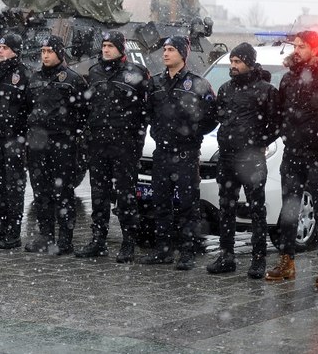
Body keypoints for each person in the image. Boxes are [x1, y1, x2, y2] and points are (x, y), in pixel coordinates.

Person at [265, 30, 318, 288]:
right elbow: (279, 113)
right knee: (289, 210)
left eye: (301, 46)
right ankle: (286, 262)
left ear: (315, 48)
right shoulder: (288, 79)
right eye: (295, 46)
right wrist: (285, 134)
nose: (296, 50)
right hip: (293, 153)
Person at [139, 36, 217, 269]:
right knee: (161, 203)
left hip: (185, 155)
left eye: (171, 50)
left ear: (183, 54)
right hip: (162, 153)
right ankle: (163, 250)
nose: (165, 54)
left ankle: (187, 251)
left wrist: (193, 133)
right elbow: (149, 112)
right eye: (164, 49)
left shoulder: (197, 84)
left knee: (187, 205)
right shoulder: (156, 83)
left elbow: (211, 117)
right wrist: (159, 132)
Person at [75, 31, 149, 262]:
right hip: (99, 144)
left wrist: (136, 143)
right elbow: (87, 107)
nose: (105, 50)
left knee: (126, 195)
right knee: (99, 193)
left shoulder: (136, 74)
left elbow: (145, 113)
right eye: (104, 45)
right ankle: (98, 239)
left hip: (124, 145)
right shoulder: (95, 72)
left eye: (110, 46)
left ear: (121, 48)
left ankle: (128, 241)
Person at [207, 42, 279, 278]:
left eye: (237, 62)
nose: (233, 66)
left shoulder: (266, 90)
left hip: (251, 160)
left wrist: (258, 142)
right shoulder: (226, 88)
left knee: (256, 209)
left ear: (249, 62)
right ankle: (227, 255)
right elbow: (219, 115)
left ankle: (258, 259)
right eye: (232, 62)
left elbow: (277, 124)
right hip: (227, 157)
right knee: (225, 207)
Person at [25, 35, 88, 254]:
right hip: (37, 144)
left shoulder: (72, 80)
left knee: (63, 192)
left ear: (60, 53)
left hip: (62, 144)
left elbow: (83, 112)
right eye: (43, 52)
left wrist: (73, 136)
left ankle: (65, 239)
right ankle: (46, 235)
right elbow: (27, 109)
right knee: (40, 192)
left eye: (49, 51)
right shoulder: (34, 79)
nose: (45, 55)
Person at [0, 33, 32, 248]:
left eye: (4, 47)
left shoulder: (22, 75)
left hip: (14, 138)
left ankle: (13, 232)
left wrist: (18, 129)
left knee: (14, 185)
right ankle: (0, 227)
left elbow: (28, 108)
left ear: (15, 50)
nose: (0, 50)